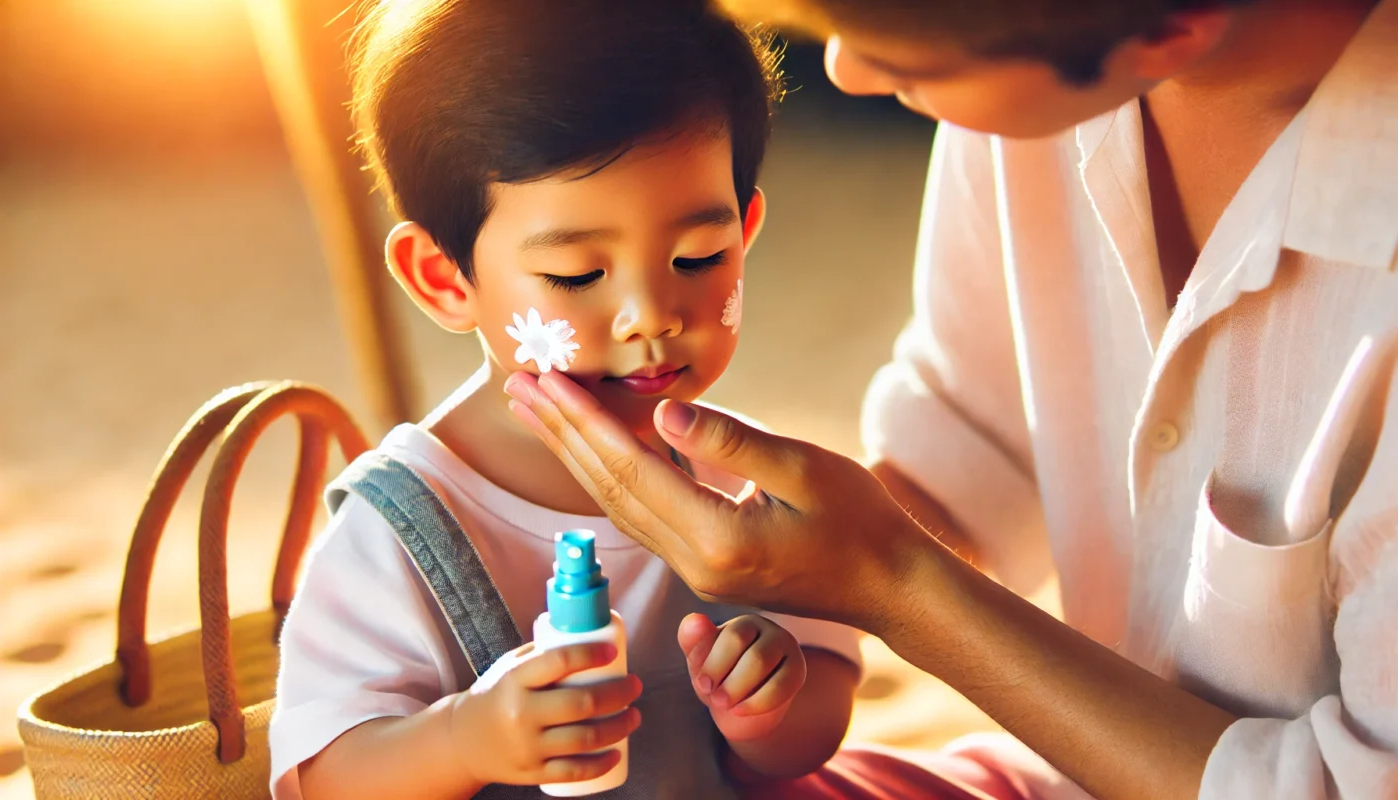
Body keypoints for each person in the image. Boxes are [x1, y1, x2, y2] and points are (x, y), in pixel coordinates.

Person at [502, 0, 1398, 798]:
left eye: (911, 60)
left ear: (1168, 31)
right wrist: (789, 624)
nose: (848, 70)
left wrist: (889, 584)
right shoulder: (1045, 73)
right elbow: (972, 439)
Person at [266, 1, 872, 797]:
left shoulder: (748, 485)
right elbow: (324, 776)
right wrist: (462, 740)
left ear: (747, 230)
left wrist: (772, 706)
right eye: (578, 276)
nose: (651, 314)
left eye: (699, 257)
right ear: (444, 279)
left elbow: (819, 718)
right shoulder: (403, 526)